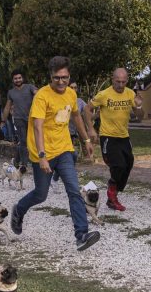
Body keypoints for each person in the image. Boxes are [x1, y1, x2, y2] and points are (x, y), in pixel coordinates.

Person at [9, 56, 100, 251]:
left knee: (74, 190)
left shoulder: (71, 94)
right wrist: (42, 156)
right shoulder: (42, 96)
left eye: (64, 77)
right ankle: (19, 209)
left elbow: (75, 115)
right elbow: (37, 127)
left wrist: (85, 141)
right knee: (41, 195)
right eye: (56, 78)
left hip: (64, 149)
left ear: (69, 76)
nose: (61, 82)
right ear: (50, 77)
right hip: (42, 152)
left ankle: (81, 235)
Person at [91, 67, 143, 211]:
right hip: (108, 137)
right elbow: (86, 109)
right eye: (117, 81)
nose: (120, 85)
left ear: (127, 81)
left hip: (124, 136)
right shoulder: (104, 94)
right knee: (118, 165)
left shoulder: (130, 93)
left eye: (123, 82)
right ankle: (112, 195)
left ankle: (113, 190)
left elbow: (140, 117)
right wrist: (90, 129)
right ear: (112, 79)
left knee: (128, 163)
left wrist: (139, 106)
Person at [4, 70, 38, 171]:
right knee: (23, 141)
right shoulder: (11, 92)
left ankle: (17, 160)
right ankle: (24, 164)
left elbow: (38, 94)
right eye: (15, 78)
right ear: (13, 80)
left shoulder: (30, 87)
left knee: (34, 140)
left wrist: (36, 98)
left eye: (19, 78)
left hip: (32, 118)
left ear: (22, 78)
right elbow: (7, 107)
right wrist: (3, 120)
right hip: (19, 119)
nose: (18, 80)